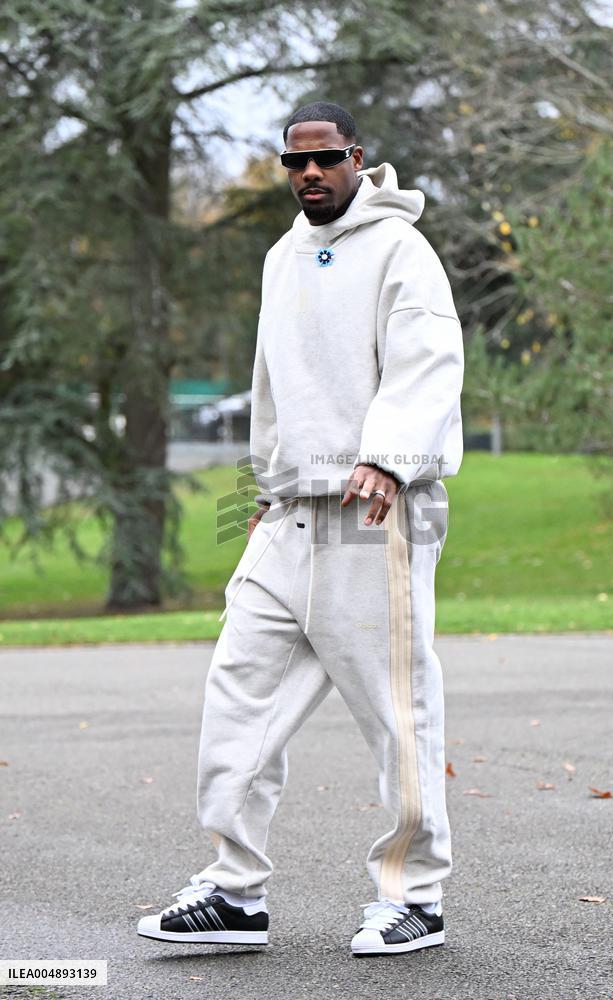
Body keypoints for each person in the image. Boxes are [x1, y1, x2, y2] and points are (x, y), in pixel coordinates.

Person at [137, 100, 464, 956]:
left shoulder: (403, 251)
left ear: (357, 157)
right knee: (238, 689)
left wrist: (387, 458)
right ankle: (235, 891)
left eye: (324, 159)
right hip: (291, 514)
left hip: (370, 511)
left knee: (395, 708)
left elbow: (429, 363)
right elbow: (273, 384)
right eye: (294, 163)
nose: (308, 174)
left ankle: (415, 896)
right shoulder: (284, 256)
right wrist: (267, 485)